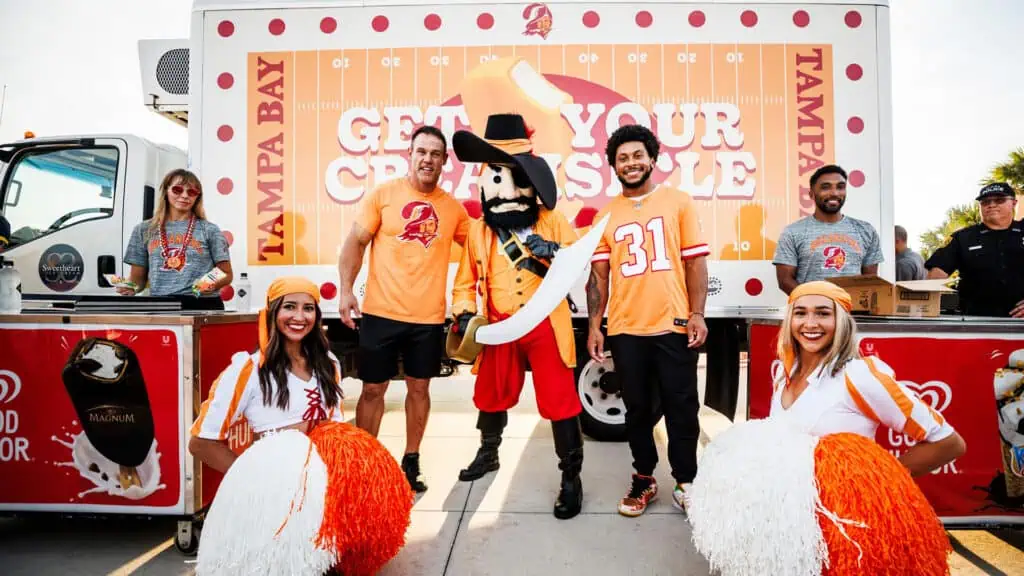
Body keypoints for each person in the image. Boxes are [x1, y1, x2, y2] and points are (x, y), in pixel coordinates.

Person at [447, 113, 584, 520]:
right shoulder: (478, 230)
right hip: (499, 324)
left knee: (561, 402)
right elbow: (463, 280)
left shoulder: (554, 220)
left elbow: (579, 263)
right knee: (490, 395)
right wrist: (464, 312)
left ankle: (571, 477)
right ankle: (488, 454)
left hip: (546, 323)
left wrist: (554, 252)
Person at [336, 125, 471, 493]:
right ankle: (366, 462)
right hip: (380, 313)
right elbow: (355, 243)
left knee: (419, 389)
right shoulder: (384, 195)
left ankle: (411, 460)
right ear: (409, 156)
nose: (428, 159)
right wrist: (347, 290)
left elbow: (479, 252)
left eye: (435, 154)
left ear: (445, 162)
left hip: (427, 320)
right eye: (421, 152)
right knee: (373, 390)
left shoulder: (453, 210)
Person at [586, 124, 709, 517]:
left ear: (652, 158)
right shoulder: (606, 215)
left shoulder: (678, 202)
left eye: (638, 155)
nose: (631, 163)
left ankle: (686, 481)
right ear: (614, 166)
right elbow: (598, 277)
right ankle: (644, 479)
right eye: (622, 158)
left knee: (682, 406)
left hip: (672, 324)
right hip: (625, 328)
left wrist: (696, 313)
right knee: (637, 410)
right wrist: (594, 325)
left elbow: (695, 263)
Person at [771, 280, 966, 474]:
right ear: (790, 320)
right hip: (791, 501)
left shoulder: (858, 375)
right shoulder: (784, 371)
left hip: (842, 504)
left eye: (823, 313)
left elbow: (948, 443)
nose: (811, 323)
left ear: (841, 322)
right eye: (800, 313)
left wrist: (874, 485)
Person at [189, 276, 344, 471]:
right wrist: (256, 481)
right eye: (289, 306)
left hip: (322, 483)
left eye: (308, 308)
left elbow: (338, 428)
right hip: (275, 489)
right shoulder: (248, 369)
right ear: (272, 312)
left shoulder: (328, 363)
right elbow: (201, 442)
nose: (299, 316)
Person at [121, 169, 232, 310]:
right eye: (177, 190)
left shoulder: (210, 229)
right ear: (166, 191)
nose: (184, 196)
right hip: (160, 305)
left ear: (197, 197)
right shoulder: (144, 229)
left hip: (202, 305)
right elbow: (138, 280)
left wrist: (208, 283)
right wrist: (130, 288)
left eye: (192, 192)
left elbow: (226, 273)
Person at [773, 165, 883, 294]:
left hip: (853, 312)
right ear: (811, 194)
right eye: (825, 187)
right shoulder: (792, 232)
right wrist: (818, 304)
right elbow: (785, 281)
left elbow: (870, 281)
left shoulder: (866, 231)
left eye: (840, 187)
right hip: (812, 311)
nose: (834, 193)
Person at [925, 182, 1024, 318]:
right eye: (985, 202)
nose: (992, 205)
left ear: (1014, 203)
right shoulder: (964, 238)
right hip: (977, 323)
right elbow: (935, 275)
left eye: (999, 200)